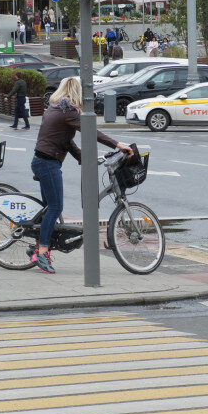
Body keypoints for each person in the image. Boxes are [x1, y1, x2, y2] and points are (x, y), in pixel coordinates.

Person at [31, 77, 132, 273]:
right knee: (55, 207)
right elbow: (90, 130)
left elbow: (66, 141)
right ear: (77, 93)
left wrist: (84, 158)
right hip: (47, 163)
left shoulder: (55, 108)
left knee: (49, 208)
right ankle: (41, 252)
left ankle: (38, 245)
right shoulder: (67, 110)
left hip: (42, 161)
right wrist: (118, 144)